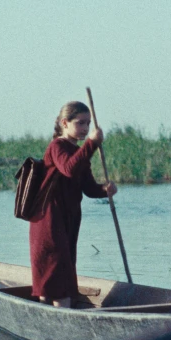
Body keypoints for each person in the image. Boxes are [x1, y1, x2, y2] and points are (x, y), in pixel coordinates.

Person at [29, 101, 118, 308]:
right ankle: (57, 316)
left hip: (69, 217)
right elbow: (68, 168)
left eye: (88, 124)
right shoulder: (57, 146)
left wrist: (105, 190)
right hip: (49, 218)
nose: (86, 129)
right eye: (80, 123)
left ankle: (55, 314)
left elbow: (88, 188)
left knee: (65, 265)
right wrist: (92, 144)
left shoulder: (79, 152)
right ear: (64, 123)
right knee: (56, 268)